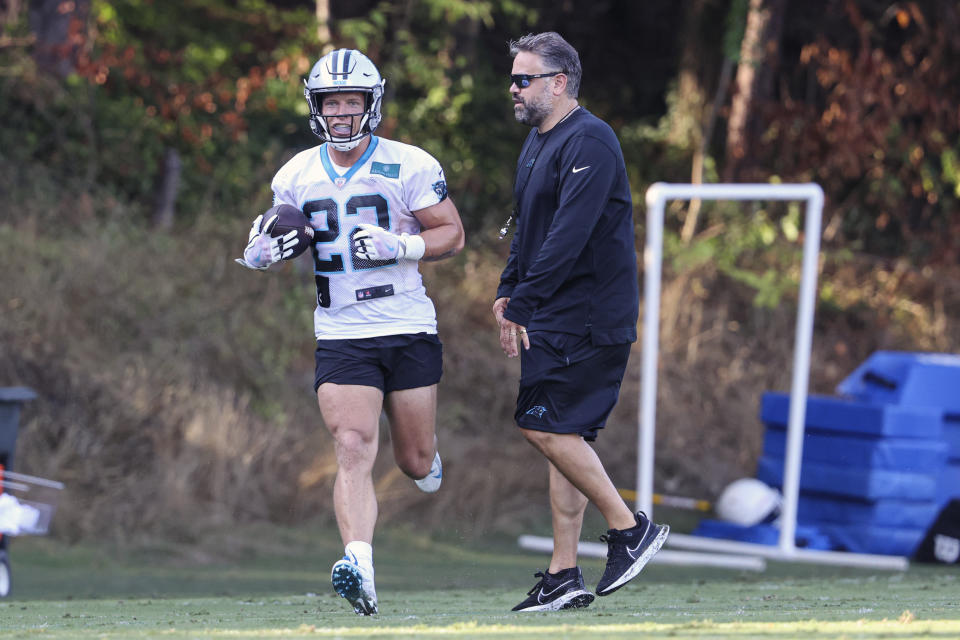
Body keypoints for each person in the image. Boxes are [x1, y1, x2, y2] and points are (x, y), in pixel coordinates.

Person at [236, 48, 465, 616]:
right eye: (330, 102)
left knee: (414, 461)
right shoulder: (295, 173)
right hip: (340, 329)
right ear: (315, 107)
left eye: (351, 101)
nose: (340, 112)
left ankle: (425, 459)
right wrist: (262, 252)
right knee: (353, 445)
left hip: (406, 322)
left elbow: (453, 235)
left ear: (371, 103)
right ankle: (359, 564)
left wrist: (403, 244)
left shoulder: (409, 164)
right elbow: (276, 233)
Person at [493, 32, 669, 612]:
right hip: (554, 314)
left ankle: (628, 528)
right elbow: (528, 229)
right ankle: (563, 574)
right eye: (514, 78)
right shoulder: (538, 143)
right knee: (564, 438)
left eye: (525, 79)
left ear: (559, 82)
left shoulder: (590, 138)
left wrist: (525, 303)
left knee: (541, 426)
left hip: (590, 317)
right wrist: (508, 291)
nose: (513, 88)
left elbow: (569, 237)